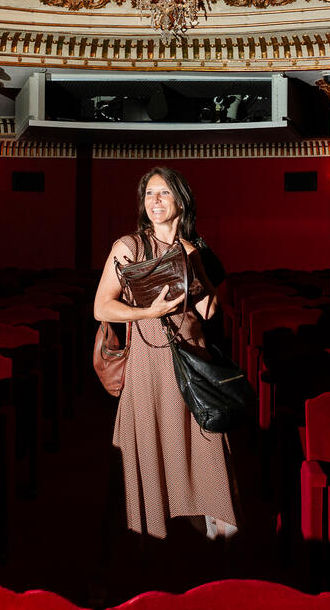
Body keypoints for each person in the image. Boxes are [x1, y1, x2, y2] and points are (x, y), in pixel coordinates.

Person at [93, 165, 239, 542]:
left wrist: (196, 263)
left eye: (163, 193)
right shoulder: (129, 247)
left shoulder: (193, 248)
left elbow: (207, 312)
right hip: (148, 363)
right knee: (153, 444)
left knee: (206, 446)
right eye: (148, 194)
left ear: (181, 200)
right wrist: (147, 313)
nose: (155, 201)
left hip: (193, 361)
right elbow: (101, 307)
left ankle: (214, 536)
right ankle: (154, 534)